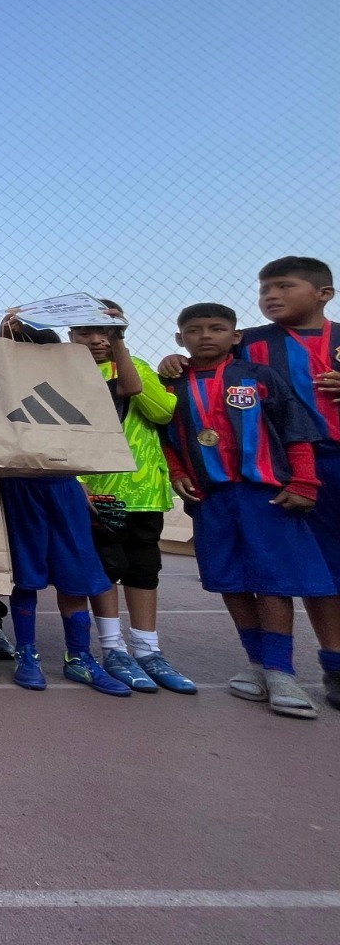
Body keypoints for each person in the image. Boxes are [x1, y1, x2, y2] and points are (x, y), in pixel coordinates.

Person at [163, 302, 333, 719]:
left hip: (264, 495)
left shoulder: (259, 376)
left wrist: (304, 481)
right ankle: (257, 664)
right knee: (231, 581)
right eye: (195, 330)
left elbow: (295, 430)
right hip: (210, 498)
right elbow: (164, 437)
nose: (205, 336)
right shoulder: (171, 384)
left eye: (216, 328)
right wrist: (178, 471)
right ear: (180, 338)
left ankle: (281, 672)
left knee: (272, 581)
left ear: (236, 337)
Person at [0, 314, 132, 697]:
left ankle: (79, 657)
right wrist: (4, 333)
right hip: (18, 488)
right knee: (26, 575)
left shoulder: (80, 383)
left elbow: (129, 387)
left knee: (75, 573)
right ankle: (27, 654)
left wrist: (117, 338)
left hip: (64, 487)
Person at [71, 304, 196, 694]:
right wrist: (79, 482)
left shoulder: (135, 367)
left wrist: (124, 354)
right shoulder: (66, 375)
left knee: (144, 569)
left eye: (107, 332)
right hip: (99, 490)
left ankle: (148, 649)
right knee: (106, 567)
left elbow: (162, 413)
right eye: (86, 332)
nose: (98, 340)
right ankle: (113, 649)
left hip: (145, 493)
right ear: (70, 335)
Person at [237, 257, 340, 710]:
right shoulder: (248, 342)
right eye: (264, 289)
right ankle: (333, 664)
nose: (270, 296)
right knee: (320, 570)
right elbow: (206, 372)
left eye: (283, 286)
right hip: (293, 469)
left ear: (324, 293)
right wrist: (174, 362)